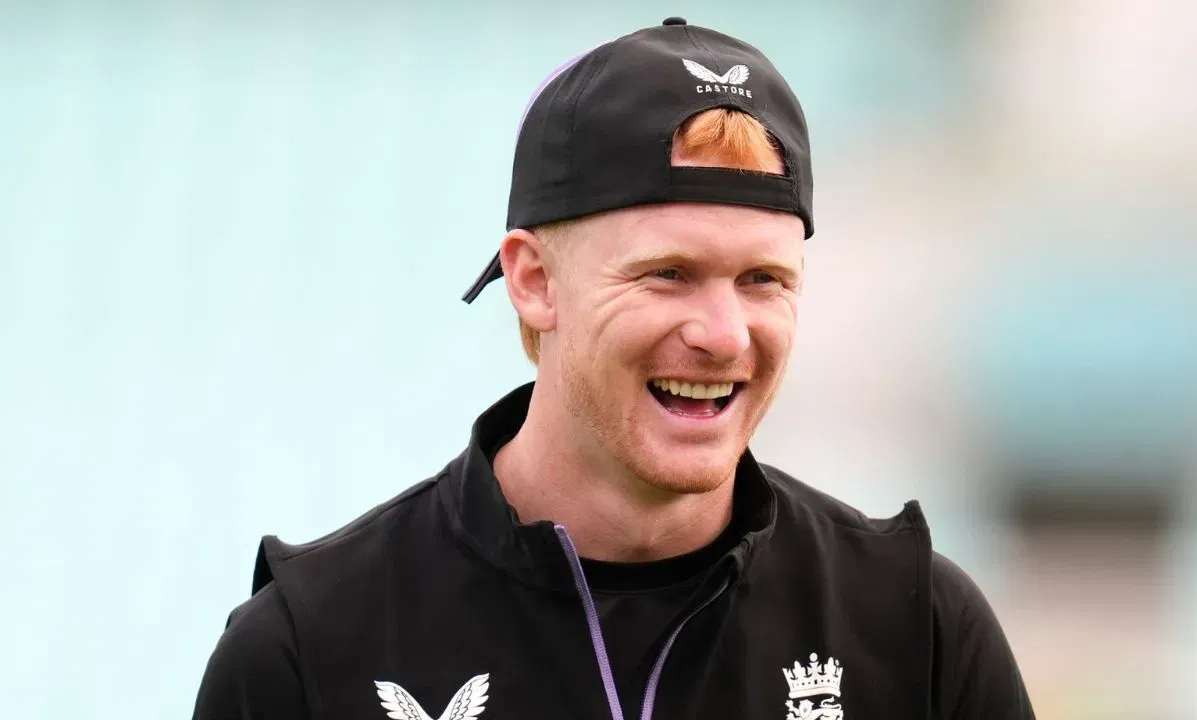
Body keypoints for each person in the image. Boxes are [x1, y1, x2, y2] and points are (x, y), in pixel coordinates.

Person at [192, 17, 1035, 720]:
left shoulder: (917, 631)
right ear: (534, 282)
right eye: (668, 273)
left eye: (763, 280)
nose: (724, 335)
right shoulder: (310, 648)